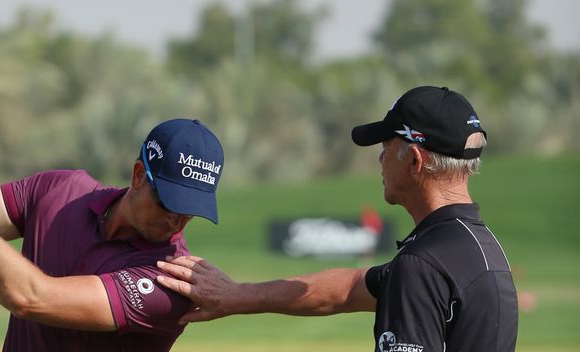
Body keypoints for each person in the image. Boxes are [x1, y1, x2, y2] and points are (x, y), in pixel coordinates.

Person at [0, 48, 225, 351]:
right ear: (139, 174)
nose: (176, 222)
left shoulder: (172, 280)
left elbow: (27, 297)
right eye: (167, 203)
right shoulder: (61, 192)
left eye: (189, 212)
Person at [157, 86, 518, 352]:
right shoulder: (474, 246)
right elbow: (346, 290)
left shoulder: (422, 266)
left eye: (385, 148)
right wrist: (236, 296)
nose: (379, 160)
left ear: (414, 161)